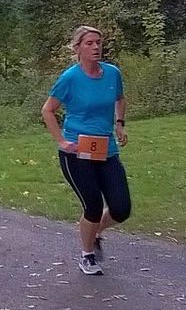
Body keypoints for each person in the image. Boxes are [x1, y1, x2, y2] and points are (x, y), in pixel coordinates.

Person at [40, 25, 131, 276]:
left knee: (121, 208)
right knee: (92, 205)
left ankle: (95, 232)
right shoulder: (70, 78)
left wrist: (119, 124)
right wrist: (61, 141)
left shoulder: (112, 74)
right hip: (76, 152)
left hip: (106, 150)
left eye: (98, 42)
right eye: (89, 43)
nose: (96, 47)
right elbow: (47, 110)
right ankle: (87, 255)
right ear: (78, 48)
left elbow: (120, 98)